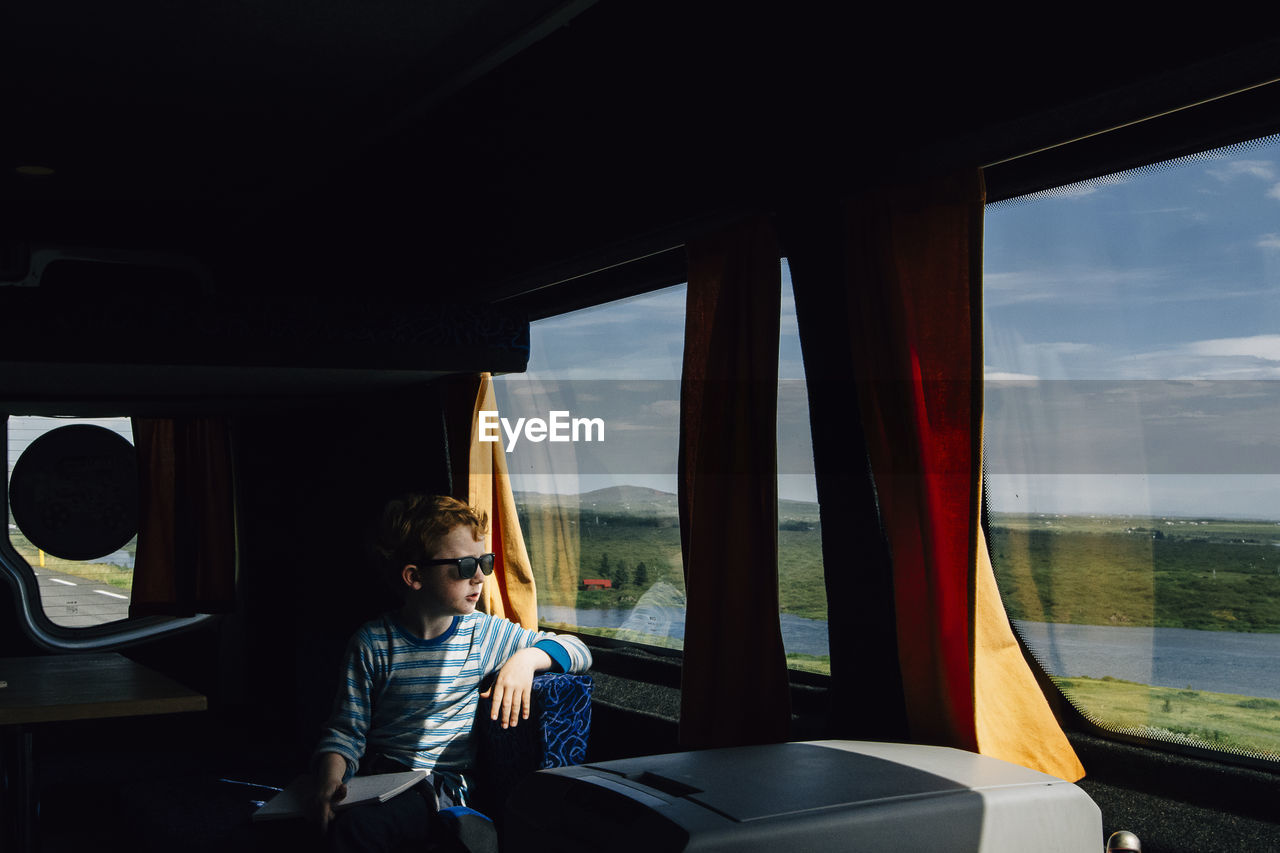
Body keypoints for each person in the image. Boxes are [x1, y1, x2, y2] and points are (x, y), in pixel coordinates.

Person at [310, 494, 592, 852]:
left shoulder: (483, 634)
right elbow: (345, 732)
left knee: (364, 830)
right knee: (348, 826)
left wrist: (527, 660)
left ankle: (464, 827)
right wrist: (329, 781)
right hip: (380, 780)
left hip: (443, 784)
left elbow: (579, 650)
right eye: (463, 566)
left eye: (484, 562)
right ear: (415, 577)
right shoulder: (372, 644)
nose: (479, 577)